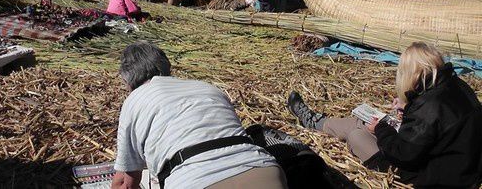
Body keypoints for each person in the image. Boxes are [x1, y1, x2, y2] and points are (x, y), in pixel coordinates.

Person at [287, 42, 482, 188]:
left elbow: (403, 154)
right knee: (359, 121)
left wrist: (381, 129)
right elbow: (435, 128)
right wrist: (408, 110)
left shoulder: (429, 105)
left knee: (356, 134)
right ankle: (315, 121)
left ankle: (314, 121)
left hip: (430, 176)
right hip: (458, 167)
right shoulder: (455, 85)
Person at [112, 41, 287, 189]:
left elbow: (125, 182)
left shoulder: (135, 99)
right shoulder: (207, 87)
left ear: (127, 79)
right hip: (265, 173)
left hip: (194, 182)